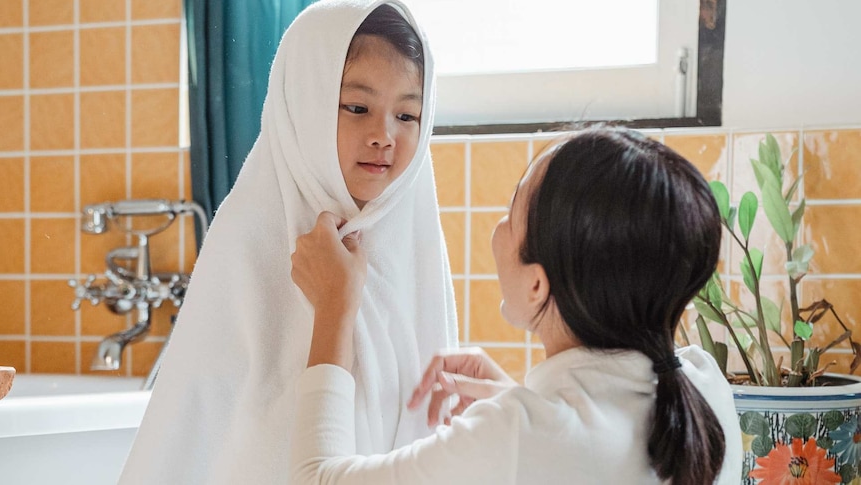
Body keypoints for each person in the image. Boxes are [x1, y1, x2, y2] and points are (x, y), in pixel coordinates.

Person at [118, 1, 457, 484]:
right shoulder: (249, 240)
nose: (384, 135)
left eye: (407, 115)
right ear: (304, 102)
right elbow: (203, 434)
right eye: (357, 107)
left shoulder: (413, 239)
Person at [289, 127, 744, 484]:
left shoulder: (518, 437)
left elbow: (314, 480)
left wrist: (335, 305)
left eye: (512, 212)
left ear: (536, 286)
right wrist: (520, 401)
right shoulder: (706, 388)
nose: (498, 228)